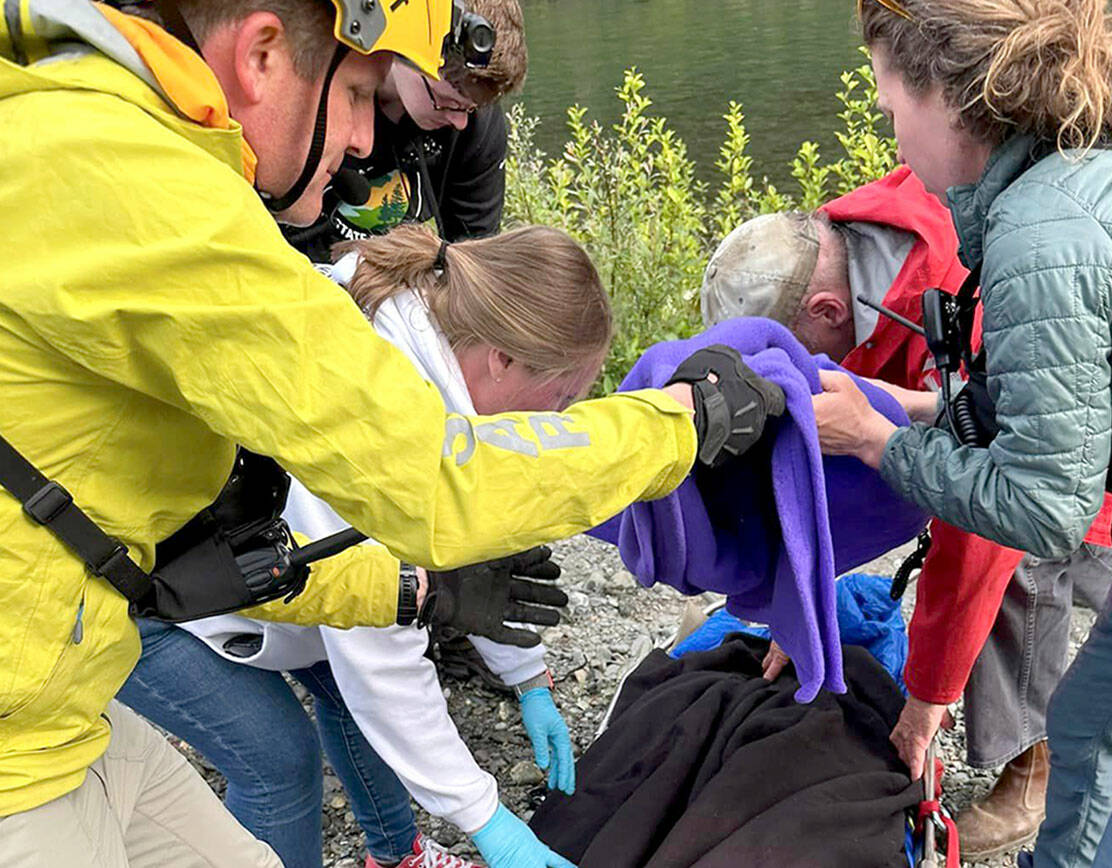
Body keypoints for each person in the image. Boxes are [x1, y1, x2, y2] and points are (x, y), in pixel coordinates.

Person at [0, 2, 780, 864]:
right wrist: (681, 421)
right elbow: (441, 487)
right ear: (262, 53)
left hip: (67, 707)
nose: (371, 143)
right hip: (21, 750)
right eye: (364, 94)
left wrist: (429, 600)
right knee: (280, 761)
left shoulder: (109, 147)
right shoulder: (133, 183)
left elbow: (242, 551)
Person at [815, 1, 1112, 865]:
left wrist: (875, 444)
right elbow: (1054, 408)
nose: (892, 141)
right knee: (1080, 727)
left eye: (891, 110)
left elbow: (1045, 509)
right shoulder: (1094, 163)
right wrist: (897, 407)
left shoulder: (1045, 233)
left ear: (951, 102)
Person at [121, 224, 597, 868]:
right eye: (563, 396)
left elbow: (466, 557)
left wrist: (528, 677)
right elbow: (378, 651)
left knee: (347, 694)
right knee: (278, 761)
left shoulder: (421, 331)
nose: (560, 418)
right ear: (501, 360)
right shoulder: (374, 409)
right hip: (131, 583)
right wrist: (488, 819)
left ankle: (395, 854)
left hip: (253, 570)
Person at [700, 171, 1112, 860]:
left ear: (831, 310)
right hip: (1024, 419)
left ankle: (1033, 771)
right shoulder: (848, 238)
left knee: (1029, 566)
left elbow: (986, 521)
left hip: (1107, 446)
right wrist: (794, 604)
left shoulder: (967, 297)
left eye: (793, 350)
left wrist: (927, 701)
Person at [285, 0, 527, 262]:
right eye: (450, 101)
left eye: (471, 108)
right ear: (411, 53)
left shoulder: (477, 125)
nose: (459, 122)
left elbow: (475, 255)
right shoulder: (313, 94)